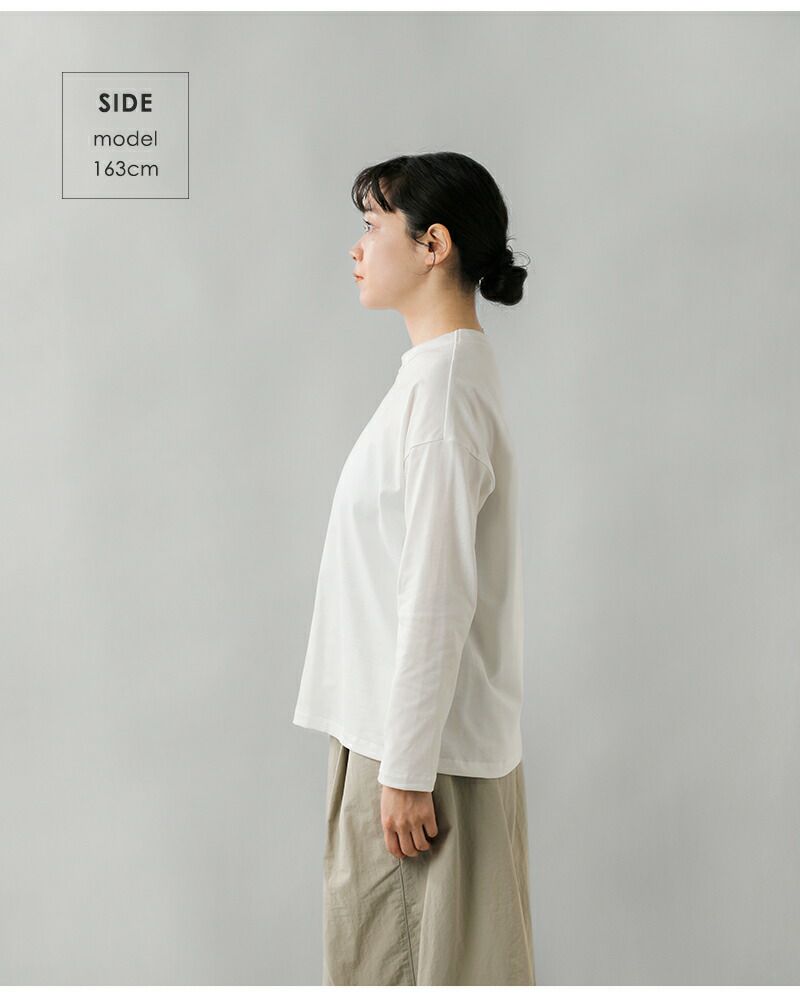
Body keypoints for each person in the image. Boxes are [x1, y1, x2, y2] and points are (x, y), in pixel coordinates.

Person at [292, 151, 535, 986]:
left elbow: (437, 592)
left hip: (417, 759)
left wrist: (403, 773)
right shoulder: (439, 377)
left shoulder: (443, 392)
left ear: (433, 245)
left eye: (372, 226)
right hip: (399, 739)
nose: (357, 247)